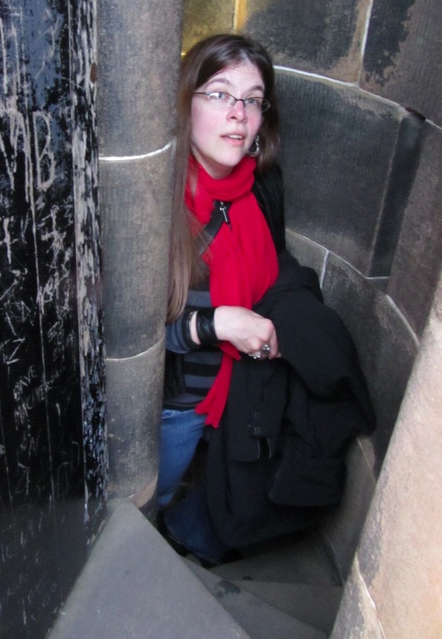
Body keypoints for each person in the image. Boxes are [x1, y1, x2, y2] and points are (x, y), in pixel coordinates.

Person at [157, 33, 375, 566]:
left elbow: (274, 267)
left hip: (238, 394)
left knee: (220, 490)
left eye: (252, 100)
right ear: (185, 104)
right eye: (219, 94)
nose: (238, 114)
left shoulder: (260, 188)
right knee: (149, 501)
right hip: (177, 409)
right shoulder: (154, 200)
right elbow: (119, 333)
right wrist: (217, 325)